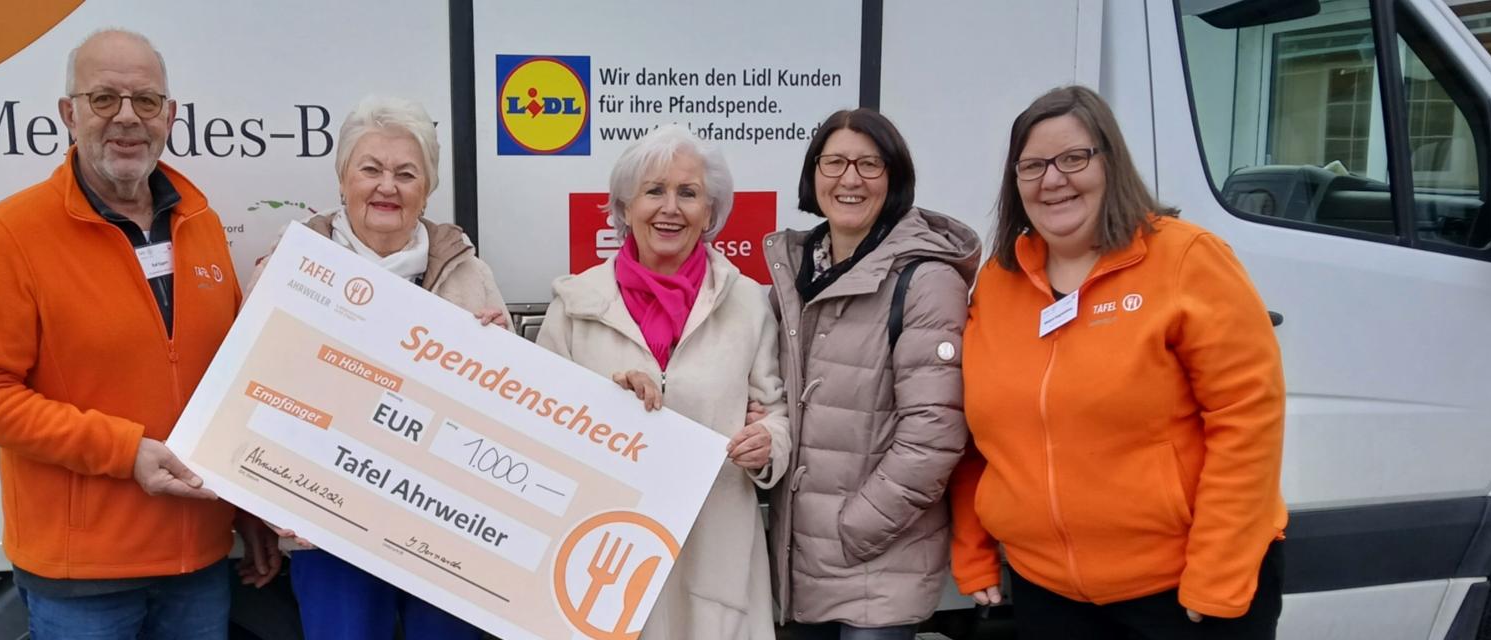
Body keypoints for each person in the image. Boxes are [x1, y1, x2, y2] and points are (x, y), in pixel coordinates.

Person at [0, 29, 277, 640]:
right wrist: (124, 452)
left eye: (146, 101)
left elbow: (225, 380)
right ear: (69, 114)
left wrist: (244, 511)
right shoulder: (9, 235)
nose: (127, 118)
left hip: (197, 563)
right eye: (103, 99)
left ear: (170, 117)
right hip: (83, 576)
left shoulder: (198, 225)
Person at [950, 85, 1287, 639]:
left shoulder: (1186, 259)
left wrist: (1219, 574)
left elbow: (1248, 420)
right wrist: (973, 548)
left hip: (1182, 592)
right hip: (1048, 593)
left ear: (1111, 162)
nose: (1052, 179)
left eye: (1073, 158)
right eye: (1032, 165)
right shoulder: (997, 281)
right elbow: (974, 433)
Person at [243, 95, 506, 640]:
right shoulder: (292, 265)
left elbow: (507, 408)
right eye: (371, 169)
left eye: (406, 173)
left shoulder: (469, 272)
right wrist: (266, 500)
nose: (388, 186)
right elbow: (245, 393)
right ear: (343, 179)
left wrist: (503, 362)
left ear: (426, 189)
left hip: (443, 528)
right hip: (326, 523)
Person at [536, 124, 790, 639]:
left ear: (711, 212)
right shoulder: (574, 306)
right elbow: (537, 422)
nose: (670, 207)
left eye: (688, 193)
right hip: (605, 556)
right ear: (624, 208)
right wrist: (607, 401)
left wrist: (769, 442)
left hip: (715, 554)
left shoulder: (750, 304)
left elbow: (778, 411)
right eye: (654, 191)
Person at [762, 108, 978, 639]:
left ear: (894, 177)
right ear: (813, 175)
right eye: (833, 162)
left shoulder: (926, 280)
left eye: (869, 164)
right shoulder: (795, 271)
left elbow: (934, 435)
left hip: (878, 559)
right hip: (803, 557)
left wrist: (855, 527)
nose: (849, 179)